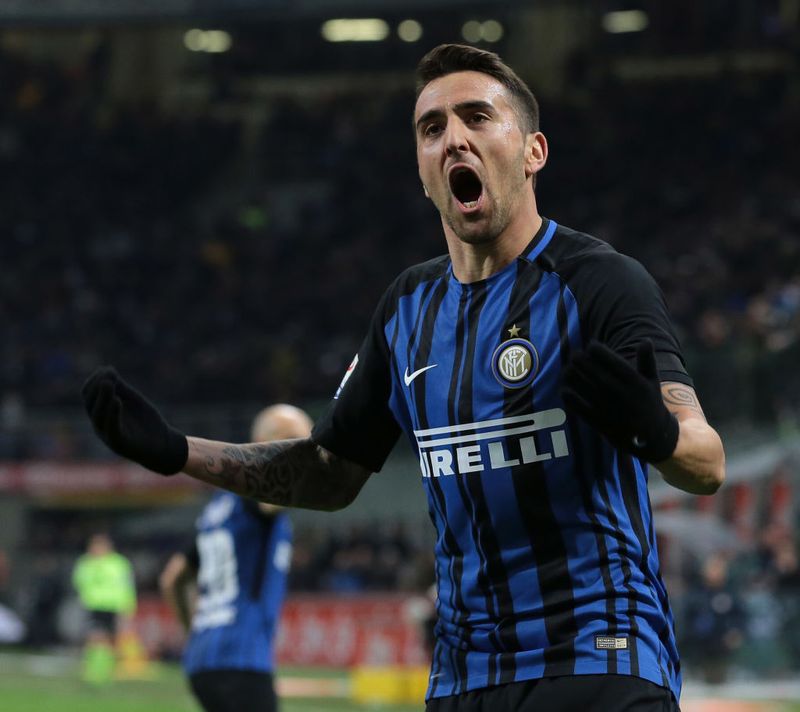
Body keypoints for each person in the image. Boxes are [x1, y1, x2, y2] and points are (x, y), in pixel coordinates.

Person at [82, 44, 726, 711]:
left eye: (478, 117)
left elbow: (705, 462)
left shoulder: (600, 283)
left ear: (533, 151)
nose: (455, 139)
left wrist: (656, 433)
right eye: (432, 128)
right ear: (422, 171)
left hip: (601, 660)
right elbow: (328, 472)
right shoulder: (407, 309)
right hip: (464, 679)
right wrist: (177, 451)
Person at [159, 405, 311, 712]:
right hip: (242, 658)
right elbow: (275, 500)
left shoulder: (218, 508)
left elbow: (172, 579)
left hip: (202, 661)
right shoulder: (259, 495)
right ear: (262, 442)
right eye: (293, 439)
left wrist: (194, 634)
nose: (303, 450)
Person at [71, 532, 136, 685]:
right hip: (94, 606)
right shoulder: (85, 563)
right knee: (94, 637)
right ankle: (92, 672)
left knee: (112, 640)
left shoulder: (119, 563)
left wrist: (128, 606)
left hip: (114, 606)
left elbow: (127, 586)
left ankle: (106, 671)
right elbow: (78, 582)